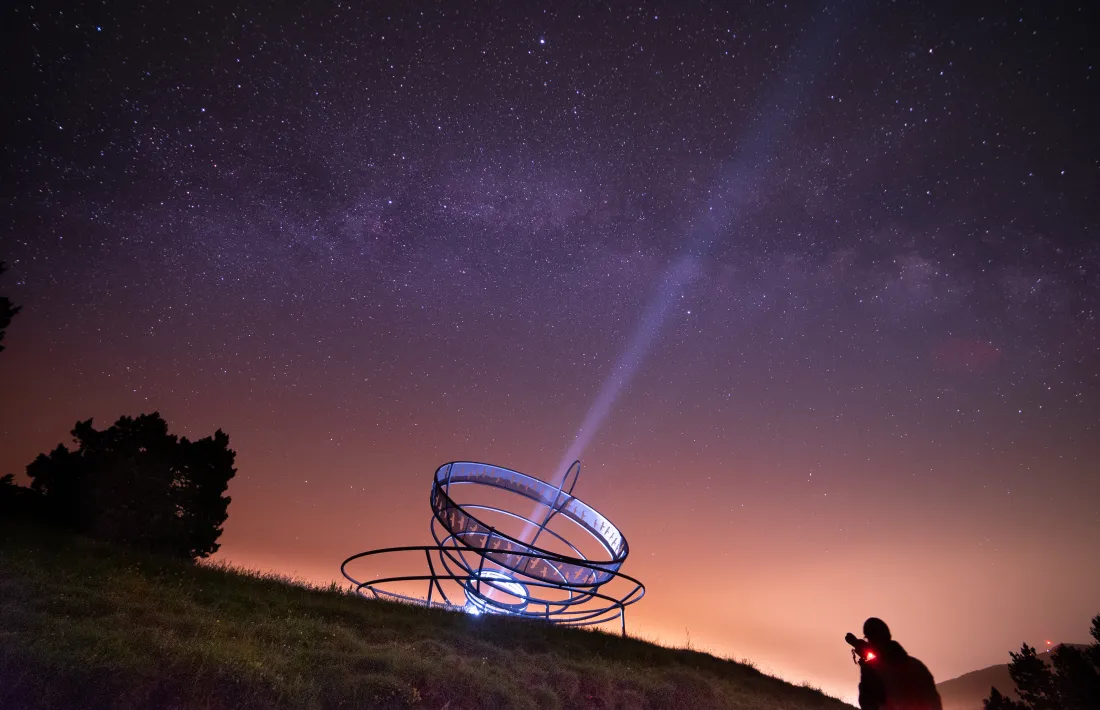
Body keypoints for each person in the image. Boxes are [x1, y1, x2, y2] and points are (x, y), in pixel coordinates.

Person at [850, 617, 942, 710]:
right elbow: (935, 701)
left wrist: (866, 670)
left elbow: (868, 704)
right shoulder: (917, 665)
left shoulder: (871, 669)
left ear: (870, 640)